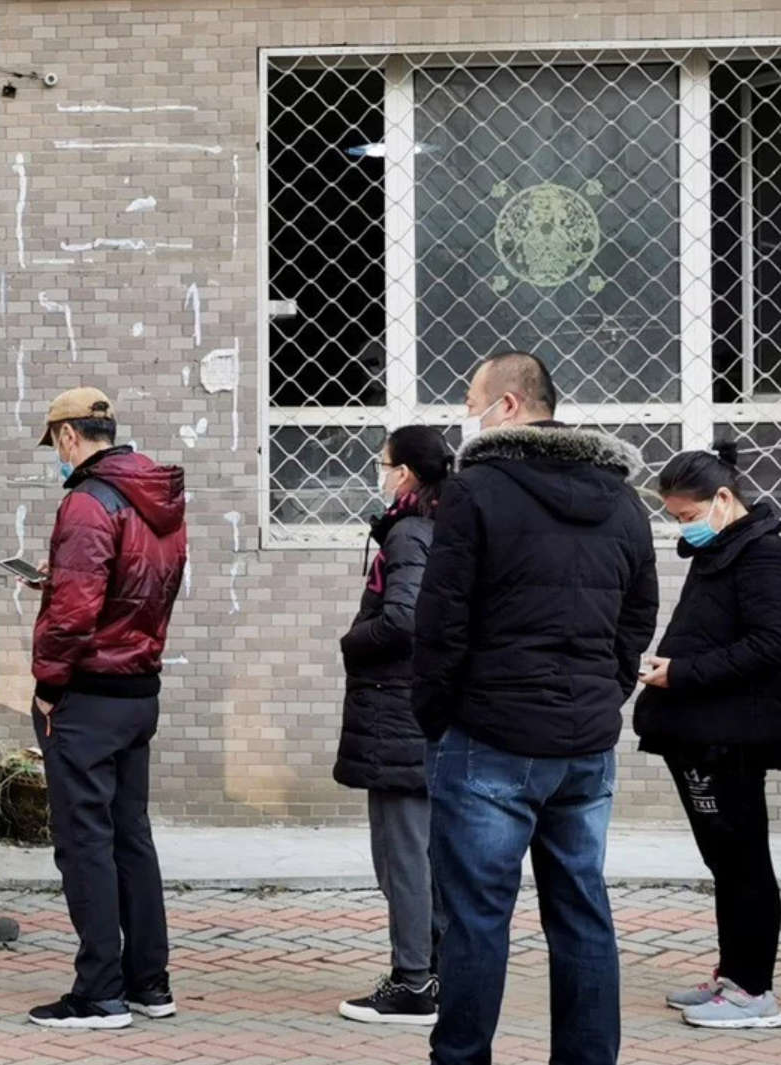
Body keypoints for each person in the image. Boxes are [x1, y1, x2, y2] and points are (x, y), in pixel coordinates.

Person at [414, 351, 659, 1065]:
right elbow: (637, 611)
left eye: (472, 401)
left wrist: (435, 715)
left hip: (487, 738)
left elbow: (440, 619)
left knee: (475, 922)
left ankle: (460, 1058)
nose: (466, 417)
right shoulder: (620, 498)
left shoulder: (476, 489)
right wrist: (602, 691)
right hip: (582, 744)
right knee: (581, 911)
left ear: (510, 405)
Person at [25, 388, 187, 1031]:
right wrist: (60, 572)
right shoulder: (157, 495)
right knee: (130, 838)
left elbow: (74, 615)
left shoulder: (88, 502)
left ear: (69, 436)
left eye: (55, 445)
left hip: (89, 692)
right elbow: (138, 583)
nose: (57, 457)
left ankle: (99, 991)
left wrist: (46, 682)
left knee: (85, 842)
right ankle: (150, 981)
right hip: (137, 683)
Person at [634, 443, 781, 1029]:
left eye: (687, 517)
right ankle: (733, 974)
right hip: (701, 731)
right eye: (674, 518)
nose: (683, 528)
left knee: (743, 859)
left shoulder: (762, 555)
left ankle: (753, 992)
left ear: (723, 499)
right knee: (725, 861)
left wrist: (682, 673)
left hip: (730, 737)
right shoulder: (724, 550)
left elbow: (771, 645)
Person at [333, 425, 451, 1026]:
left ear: (405, 473)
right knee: (420, 852)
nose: (381, 474)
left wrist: (354, 641)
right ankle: (434, 971)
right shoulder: (442, 524)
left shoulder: (408, 532)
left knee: (401, 855)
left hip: (396, 709)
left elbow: (402, 617)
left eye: (384, 465)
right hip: (420, 708)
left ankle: (413, 981)